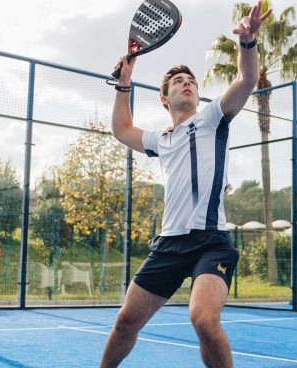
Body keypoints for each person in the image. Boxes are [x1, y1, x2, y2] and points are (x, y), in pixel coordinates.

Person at [100, 2, 272, 367]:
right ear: (165, 98)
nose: (188, 84)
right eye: (179, 81)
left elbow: (245, 80)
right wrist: (123, 84)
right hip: (168, 244)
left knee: (203, 318)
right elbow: (121, 130)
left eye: (191, 81)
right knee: (125, 322)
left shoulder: (211, 118)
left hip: (211, 241)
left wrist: (249, 42)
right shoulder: (161, 139)